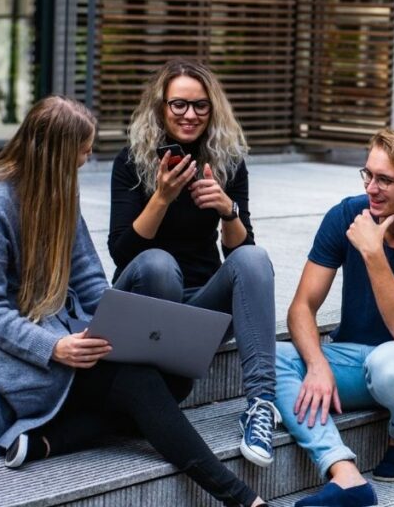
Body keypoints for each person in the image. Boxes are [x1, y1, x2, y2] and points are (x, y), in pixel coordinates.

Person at [0, 96, 267, 507]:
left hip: (67, 333)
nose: (85, 160)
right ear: (56, 152)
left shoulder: (59, 191)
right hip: (16, 350)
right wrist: (54, 347)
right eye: (82, 152)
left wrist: (117, 326)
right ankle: (239, 497)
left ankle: (51, 439)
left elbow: (89, 278)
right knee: (141, 384)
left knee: (175, 380)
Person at [274, 129, 394, 507]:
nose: (371, 187)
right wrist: (316, 365)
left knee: (391, 364)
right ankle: (344, 474)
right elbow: (302, 306)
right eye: (367, 174)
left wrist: (373, 252)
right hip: (351, 356)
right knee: (270, 358)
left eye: (384, 179)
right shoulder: (346, 214)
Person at [107, 57, 279, 468]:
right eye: (178, 104)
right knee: (158, 264)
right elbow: (122, 253)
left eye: (200, 105)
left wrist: (227, 210)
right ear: (161, 107)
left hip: (200, 311)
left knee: (255, 258)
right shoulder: (131, 161)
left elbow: (241, 257)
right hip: (145, 302)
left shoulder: (227, 161)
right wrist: (162, 197)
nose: (189, 115)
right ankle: (154, 391)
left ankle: (261, 406)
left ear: (213, 108)